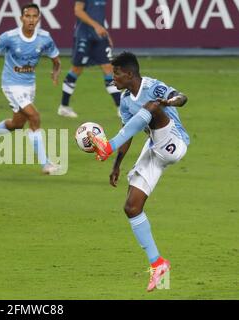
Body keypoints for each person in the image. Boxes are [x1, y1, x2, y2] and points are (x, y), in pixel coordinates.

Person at [88, 52, 189, 292]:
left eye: (117, 73)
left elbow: (182, 97)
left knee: (151, 108)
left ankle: (107, 145)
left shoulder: (153, 87)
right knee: (132, 207)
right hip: (154, 146)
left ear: (129, 74)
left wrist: (169, 101)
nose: (113, 78)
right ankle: (159, 265)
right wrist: (117, 165)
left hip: (173, 141)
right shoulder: (125, 100)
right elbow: (128, 131)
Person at [0, 3, 62, 174]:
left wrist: (55, 72)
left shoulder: (45, 38)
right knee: (34, 116)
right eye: (28, 16)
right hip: (11, 84)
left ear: (38, 19)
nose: (31, 20)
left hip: (29, 85)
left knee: (17, 124)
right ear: (21, 18)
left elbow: (56, 58)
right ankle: (45, 164)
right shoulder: (9, 37)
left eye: (34, 16)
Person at [57, 0, 121, 118]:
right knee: (76, 69)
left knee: (108, 68)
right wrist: (96, 26)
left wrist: (106, 34)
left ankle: (120, 108)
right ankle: (64, 107)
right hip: (84, 36)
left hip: (99, 37)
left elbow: (99, 17)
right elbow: (78, 11)